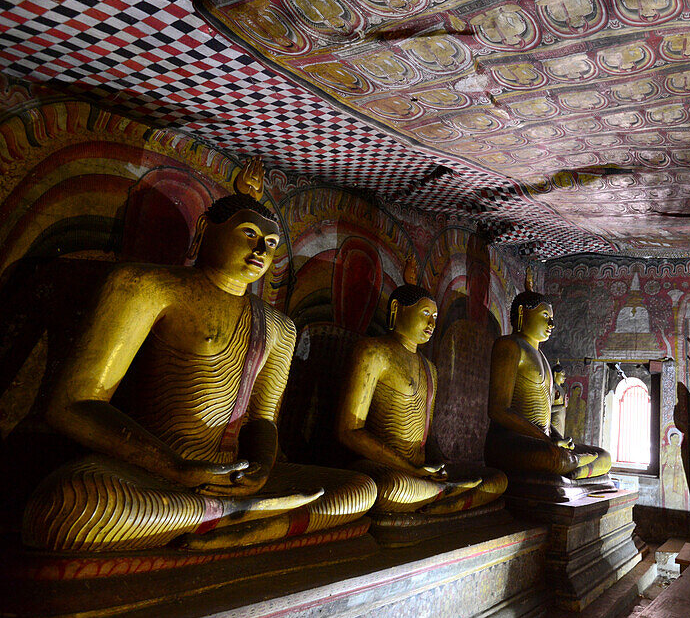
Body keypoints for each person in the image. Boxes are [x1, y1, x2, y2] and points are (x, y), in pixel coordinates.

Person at [22, 159, 377, 551]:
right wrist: (174, 466)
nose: (261, 249)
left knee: (359, 489)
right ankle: (242, 524)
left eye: (272, 244)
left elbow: (262, 418)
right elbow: (72, 403)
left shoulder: (279, 326)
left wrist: (260, 468)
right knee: (70, 505)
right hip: (154, 476)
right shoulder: (145, 286)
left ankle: (233, 530)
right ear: (206, 231)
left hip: (236, 480)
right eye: (249, 233)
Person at [337, 265, 507, 513]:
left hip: (419, 473)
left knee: (496, 480)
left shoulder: (430, 369)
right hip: (384, 469)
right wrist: (410, 469)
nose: (431, 323)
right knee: (392, 488)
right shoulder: (373, 352)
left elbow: (428, 437)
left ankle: (438, 502)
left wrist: (440, 466)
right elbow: (348, 431)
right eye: (425, 313)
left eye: (435, 318)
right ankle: (442, 502)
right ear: (397, 309)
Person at [485, 271, 611, 487]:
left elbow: (543, 419)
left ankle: (568, 470)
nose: (552, 323)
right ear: (523, 313)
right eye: (545, 316)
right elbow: (497, 410)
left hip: (542, 442)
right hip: (509, 443)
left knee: (604, 456)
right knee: (558, 458)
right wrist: (548, 441)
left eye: (552, 318)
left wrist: (553, 437)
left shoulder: (542, 356)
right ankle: (569, 469)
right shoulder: (509, 345)